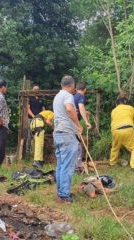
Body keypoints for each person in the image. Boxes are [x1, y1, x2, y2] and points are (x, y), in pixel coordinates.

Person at [53, 75, 83, 203]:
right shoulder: (67, 95)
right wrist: (78, 125)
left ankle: (61, 193)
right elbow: (70, 109)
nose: (74, 89)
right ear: (71, 85)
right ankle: (65, 195)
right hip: (66, 134)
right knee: (67, 165)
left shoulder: (57, 96)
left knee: (61, 165)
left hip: (58, 133)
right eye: (74, 86)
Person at [109, 93, 134, 171]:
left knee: (115, 147)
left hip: (115, 130)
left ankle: (112, 163)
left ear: (117, 102)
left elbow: (113, 121)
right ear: (126, 101)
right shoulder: (131, 108)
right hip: (128, 129)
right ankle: (133, 166)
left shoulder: (114, 110)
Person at [73, 82, 92, 172]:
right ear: (84, 90)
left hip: (69, 123)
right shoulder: (81, 96)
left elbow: (78, 109)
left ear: (76, 89)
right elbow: (80, 107)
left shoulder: (73, 96)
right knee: (78, 145)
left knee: (73, 144)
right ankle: (77, 167)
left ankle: (74, 165)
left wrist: (85, 112)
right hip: (74, 124)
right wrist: (86, 122)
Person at [27, 83, 45, 153]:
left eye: (37, 90)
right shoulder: (29, 97)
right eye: (35, 89)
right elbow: (27, 109)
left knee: (39, 134)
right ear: (32, 89)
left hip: (39, 119)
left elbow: (43, 108)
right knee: (29, 135)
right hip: (31, 119)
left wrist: (43, 116)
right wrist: (34, 116)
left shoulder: (41, 97)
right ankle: (28, 152)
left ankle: (38, 151)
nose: (36, 91)